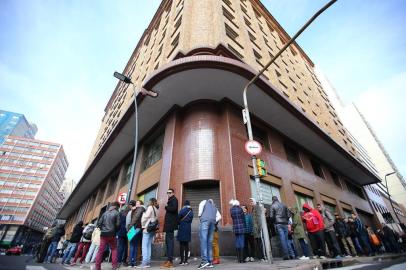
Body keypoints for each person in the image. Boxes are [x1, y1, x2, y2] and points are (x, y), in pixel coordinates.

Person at [95, 202, 120, 270]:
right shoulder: (117, 213)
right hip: (112, 234)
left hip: (103, 234)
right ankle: (114, 266)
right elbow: (118, 225)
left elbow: (99, 224)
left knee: (100, 250)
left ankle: (97, 267)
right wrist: (115, 231)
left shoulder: (105, 213)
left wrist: (103, 229)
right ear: (116, 206)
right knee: (114, 249)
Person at [198, 199, 221, 269]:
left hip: (205, 221)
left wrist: (201, 218)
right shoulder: (214, 207)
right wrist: (213, 221)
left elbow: (200, 212)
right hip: (212, 223)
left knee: (203, 240)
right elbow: (219, 217)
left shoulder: (203, 201)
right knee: (209, 242)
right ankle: (210, 262)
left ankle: (204, 261)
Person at [139, 197, 159, 268]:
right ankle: (148, 262)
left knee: (144, 246)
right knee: (148, 246)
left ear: (150, 202)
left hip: (147, 228)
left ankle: (144, 263)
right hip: (153, 229)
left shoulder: (150, 207)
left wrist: (142, 221)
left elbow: (145, 217)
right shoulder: (157, 209)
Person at [270, 196, 292, 260]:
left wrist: (275, 221)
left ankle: (286, 255)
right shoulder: (284, 205)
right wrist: (286, 220)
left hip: (278, 224)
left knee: (282, 239)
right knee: (287, 239)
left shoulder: (272, 205)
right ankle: (292, 254)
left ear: (272, 200)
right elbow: (288, 215)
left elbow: (271, 217)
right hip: (285, 223)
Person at [162, 188, 179, 269]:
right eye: (167, 192)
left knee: (170, 243)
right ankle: (169, 260)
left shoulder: (174, 200)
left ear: (173, 193)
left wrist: (166, 207)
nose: (168, 193)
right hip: (169, 225)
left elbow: (174, 209)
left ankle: (170, 261)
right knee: (168, 243)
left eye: (170, 192)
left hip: (170, 225)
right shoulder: (171, 200)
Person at [127, 200, 145, 267]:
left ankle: (132, 262)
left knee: (133, 245)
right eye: (136, 203)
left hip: (135, 227)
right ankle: (132, 262)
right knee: (133, 245)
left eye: (138, 203)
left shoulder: (140, 209)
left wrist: (129, 227)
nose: (136, 204)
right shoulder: (135, 209)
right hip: (134, 228)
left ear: (140, 204)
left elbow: (135, 219)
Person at [177, 200, 193, 265]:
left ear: (184, 204)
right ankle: (186, 261)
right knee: (186, 245)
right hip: (188, 228)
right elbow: (191, 220)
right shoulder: (191, 211)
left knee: (181, 245)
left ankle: (181, 261)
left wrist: (179, 223)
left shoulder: (182, 210)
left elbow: (178, 218)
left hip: (182, 228)